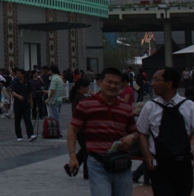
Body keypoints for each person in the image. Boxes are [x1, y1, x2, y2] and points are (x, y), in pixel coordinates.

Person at [67, 67, 137, 196]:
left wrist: (131, 137)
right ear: (100, 82)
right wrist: (72, 156)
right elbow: (73, 130)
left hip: (122, 163)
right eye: (109, 82)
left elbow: (135, 132)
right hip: (98, 163)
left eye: (116, 83)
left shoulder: (125, 108)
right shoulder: (86, 105)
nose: (112, 86)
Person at [137, 67, 194, 196]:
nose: (152, 84)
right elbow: (142, 133)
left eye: (156, 80)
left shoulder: (189, 106)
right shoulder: (150, 107)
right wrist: (147, 155)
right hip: (159, 165)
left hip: (183, 164)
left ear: (169, 83)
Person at [68, 78, 91, 180]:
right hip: (81, 128)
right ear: (83, 87)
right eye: (87, 86)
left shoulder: (77, 97)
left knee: (84, 149)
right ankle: (87, 173)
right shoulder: (80, 98)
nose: (88, 88)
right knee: (87, 150)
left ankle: (71, 167)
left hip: (79, 127)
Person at [10, 68, 37, 142]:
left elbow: (30, 93)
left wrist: (31, 102)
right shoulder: (15, 82)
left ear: (23, 74)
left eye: (19, 73)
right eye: (17, 73)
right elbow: (13, 92)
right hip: (17, 102)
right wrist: (18, 96)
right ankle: (19, 136)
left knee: (27, 119)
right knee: (17, 119)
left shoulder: (27, 82)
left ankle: (30, 134)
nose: (17, 74)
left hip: (25, 102)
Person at [46, 64, 65, 134]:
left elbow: (53, 90)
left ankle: (59, 131)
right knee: (57, 115)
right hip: (59, 99)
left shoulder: (54, 79)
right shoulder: (60, 78)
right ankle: (58, 131)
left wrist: (48, 99)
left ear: (51, 71)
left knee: (55, 117)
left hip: (54, 100)